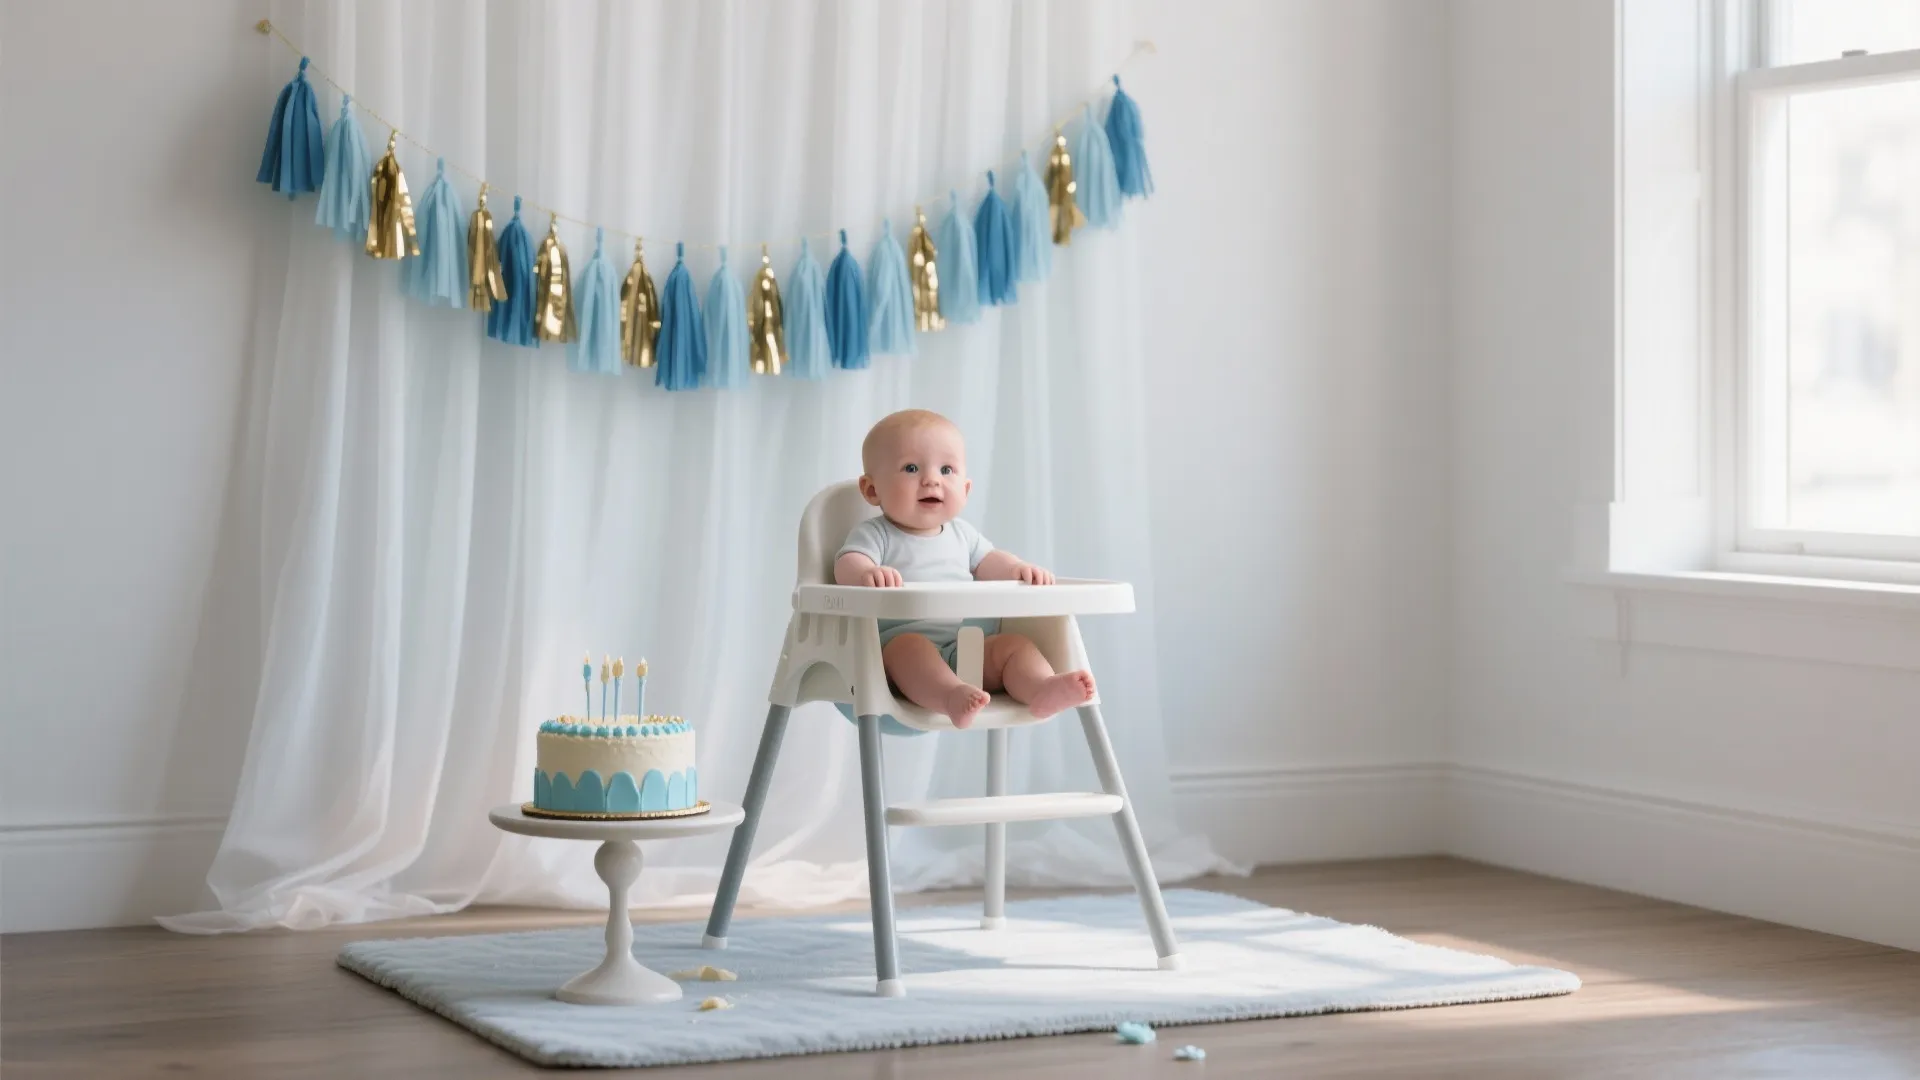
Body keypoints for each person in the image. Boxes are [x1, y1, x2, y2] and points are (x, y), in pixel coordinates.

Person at [834, 409, 1096, 728]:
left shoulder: (964, 535)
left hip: (967, 646)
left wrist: (1018, 570)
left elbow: (990, 561)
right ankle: (952, 697)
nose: (932, 479)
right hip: (894, 656)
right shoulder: (876, 534)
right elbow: (846, 564)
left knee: (1014, 647)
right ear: (872, 490)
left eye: (947, 469)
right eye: (911, 468)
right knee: (909, 648)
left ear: (966, 490)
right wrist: (864, 574)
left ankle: (1041, 688)